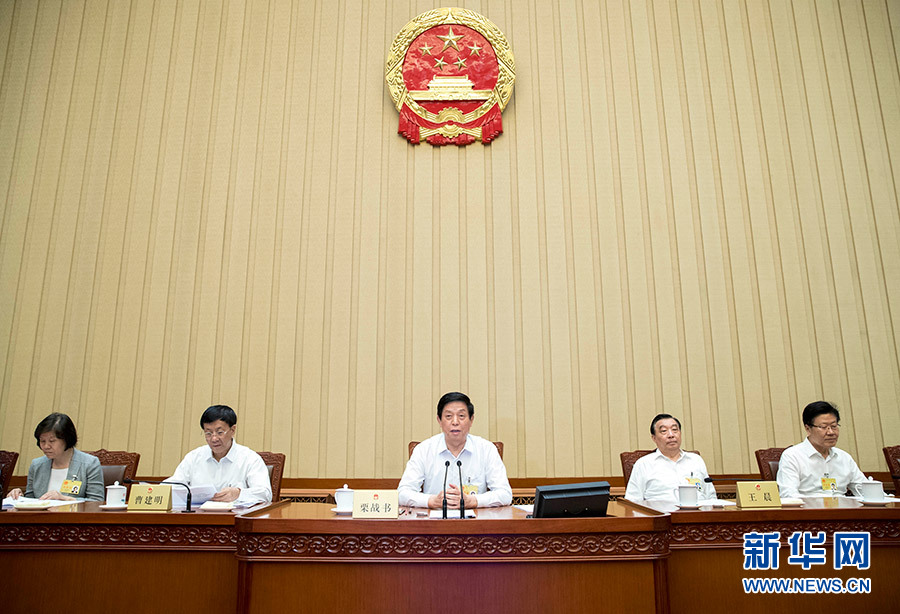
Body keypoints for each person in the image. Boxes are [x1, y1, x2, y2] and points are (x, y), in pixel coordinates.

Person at [398, 392, 512, 509]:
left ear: (471, 420)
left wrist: (473, 501)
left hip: (475, 518)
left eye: (461, 416)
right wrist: (432, 501)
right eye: (448, 416)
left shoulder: (486, 449)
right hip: (434, 518)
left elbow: (505, 494)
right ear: (439, 420)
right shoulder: (424, 450)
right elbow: (402, 493)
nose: (455, 422)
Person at [167, 405, 272, 504]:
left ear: (232, 430)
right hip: (199, 515)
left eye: (220, 432)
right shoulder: (194, 457)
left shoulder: (250, 458)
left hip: (235, 516)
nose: (214, 439)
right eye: (208, 433)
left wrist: (239, 493)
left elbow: (265, 494)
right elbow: (173, 486)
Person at [776, 401, 867, 498]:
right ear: (808, 428)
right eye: (823, 427)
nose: (831, 432)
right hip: (808, 506)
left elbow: (865, 491)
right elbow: (788, 495)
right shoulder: (792, 456)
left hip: (842, 506)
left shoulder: (844, 457)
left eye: (834, 426)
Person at [6, 412, 104, 501]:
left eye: (52, 441)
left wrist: (65, 499)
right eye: (42, 441)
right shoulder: (36, 465)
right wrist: (19, 496)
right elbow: (31, 500)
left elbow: (96, 501)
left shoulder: (89, 464)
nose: (46, 446)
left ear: (67, 439)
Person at [624, 413, 716, 503]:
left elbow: (711, 496)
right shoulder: (644, 464)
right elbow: (632, 501)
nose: (671, 435)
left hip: (698, 511)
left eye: (675, 430)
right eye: (664, 431)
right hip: (660, 512)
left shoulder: (696, 460)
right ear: (654, 438)